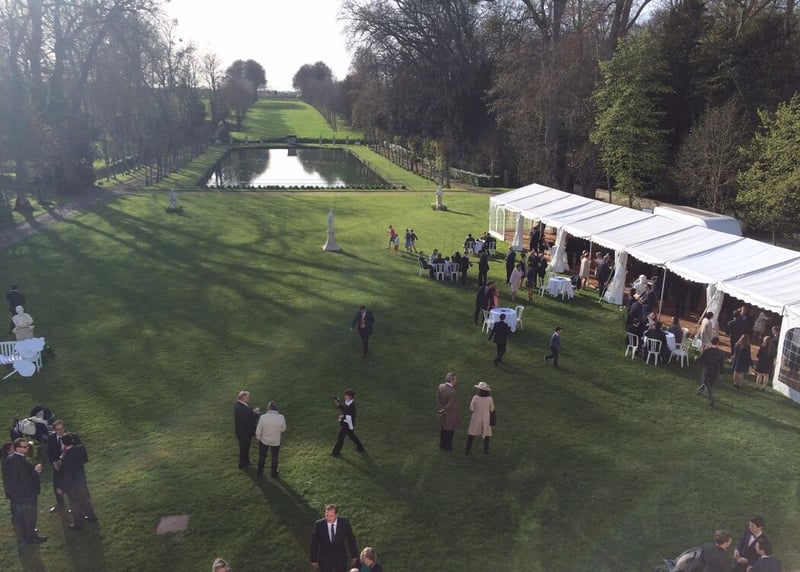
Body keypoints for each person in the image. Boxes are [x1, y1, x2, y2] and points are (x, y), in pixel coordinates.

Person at [2, 438, 47, 543]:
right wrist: (36, 471)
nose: (28, 448)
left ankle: (26, 535)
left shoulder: (9, 458)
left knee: (22, 517)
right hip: (27, 494)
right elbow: (25, 480)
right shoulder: (20, 461)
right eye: (25, 447)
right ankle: (31, 537)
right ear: (18, 448)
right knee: (30, 516)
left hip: (17, 494)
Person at [59, 434, 98, 529]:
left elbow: (66, 474)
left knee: (74, 504)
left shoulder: (65, 458)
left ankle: (78, 524)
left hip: (72, 484)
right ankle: (91, 516)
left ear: (63, 443)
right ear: (72, 440)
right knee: (84, 499)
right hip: (81, 479)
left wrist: (63, 488)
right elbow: (85, 460)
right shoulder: (80, 449)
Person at [46, 419, 82, 513]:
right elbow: (49, 453)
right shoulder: (51, 438)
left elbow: (78, 451)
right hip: (57, 468)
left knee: (71, 486)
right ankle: (60, 504)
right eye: (58, 429)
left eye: (62, 428)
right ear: (54, 430)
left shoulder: (72, 436)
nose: (61, 431)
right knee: (57, 486)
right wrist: (54, 462)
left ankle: (74, 505)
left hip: (70, 467)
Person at [310, 503, 359, 572]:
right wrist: (314, 559)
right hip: (325, 560)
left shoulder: (344, 523)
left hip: (340, 559)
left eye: (331, 516)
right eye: (326, 515)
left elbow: (351, 540)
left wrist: (354, 556)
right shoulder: (319, 524)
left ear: (337, 515)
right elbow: (314, 543)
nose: (328, 518)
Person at [255, 401, 286, 478]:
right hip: (275, 441)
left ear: (268, 408)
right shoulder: (281, 417)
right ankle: (273, 472)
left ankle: (259, 472)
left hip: (264, 440)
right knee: (274, 457)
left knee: (262, 456)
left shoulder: (263, 417)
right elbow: (283, 429)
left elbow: (258, 430)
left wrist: (258, 438)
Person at [331, 390, 365, 456]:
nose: (344, 396)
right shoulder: (347, 402)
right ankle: (361, 448)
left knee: (340, 437)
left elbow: (352, 416)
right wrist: (338, 404)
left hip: (348, 424)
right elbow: (345, 410)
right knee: (352, 436)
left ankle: (335, 453)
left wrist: (343, 416)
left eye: (346, 395)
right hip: (347, 423)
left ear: (350, 397)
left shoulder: (352, 406)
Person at [465, 382, 495, 455]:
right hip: (486, 419)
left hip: (476, 418)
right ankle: (486, 450)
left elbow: (471, 408)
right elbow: (492, 409)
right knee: (487, 434)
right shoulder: (489, 398)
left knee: (471, 434)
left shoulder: (475, 398)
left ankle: (467, 450)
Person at [697, 337, 727, 407]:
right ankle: (699, 390)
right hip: (714, 371)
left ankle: (711, 399)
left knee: (707, 384)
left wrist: (703, 362)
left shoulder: (707, 351)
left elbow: (701, 359)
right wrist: (721, 373)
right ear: (718, 343)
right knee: (708, 383)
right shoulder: (720, 353)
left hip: (707, 369)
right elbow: (722, 364)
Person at [234, 391, 260, 469]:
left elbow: (247, 414)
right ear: (243, 398)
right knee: (244, 448)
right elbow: (248, 420)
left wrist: (253, 412)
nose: (249, 399)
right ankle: (242, 463)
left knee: (246, 447)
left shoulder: (240, 405)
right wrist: (256, 414)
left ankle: (246, 461)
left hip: (244, 432)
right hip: (244, 432)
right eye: (247, 397)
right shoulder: (240, 407)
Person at [436, 372, 460, 452]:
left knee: (443, 429)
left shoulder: (441, 386)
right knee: (450, 430)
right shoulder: (452, 392)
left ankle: (442, 445)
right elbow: (450, 404)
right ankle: (448, 446)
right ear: (451, 380)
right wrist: (445, 409)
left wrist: (442, 408)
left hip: (443, 412)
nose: (456, 381)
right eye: (455, 380)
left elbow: (438, 398)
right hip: (451, 414)